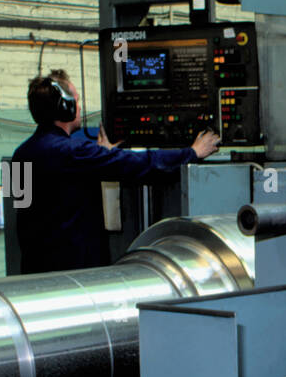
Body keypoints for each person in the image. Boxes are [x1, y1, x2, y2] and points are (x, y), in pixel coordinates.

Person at [12, 68, 220, 274]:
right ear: (64, 106)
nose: (80, 107)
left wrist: (100, 157)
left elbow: (32, 214)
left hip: (36, 271)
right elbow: (137, 164)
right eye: (76, 100)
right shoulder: (72, 153)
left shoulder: (19, 155)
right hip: (76, 274)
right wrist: (191, 153)